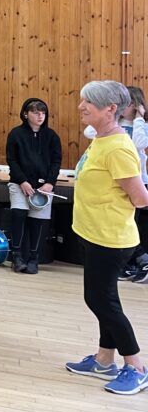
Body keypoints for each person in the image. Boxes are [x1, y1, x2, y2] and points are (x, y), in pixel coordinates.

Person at [65, 81, 148, 395]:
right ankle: (103, 360)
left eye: (89, 102)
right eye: (82, 99)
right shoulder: (101, 139)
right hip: (93, 233)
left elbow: (140, 198)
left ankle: (136, 366)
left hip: (111, 238)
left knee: (101, 300)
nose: (81, 106)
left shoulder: (118, 148)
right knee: (103, 298)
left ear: (110, 108)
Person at [85, 86, 148, 282]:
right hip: (115, 180)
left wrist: (138, 118)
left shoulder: (141, 125)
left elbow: (140, 142)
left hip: (138, 179)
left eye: (130, 104)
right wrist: (111, 117)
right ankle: (129, 265)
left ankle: (142, 262)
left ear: (136, 105)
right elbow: (89, 130)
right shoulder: (115, 125)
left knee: (134, 225)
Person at [5, 97, 63, 274]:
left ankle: (33, 258)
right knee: (18, 214)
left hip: (43, 187)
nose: (40, 116)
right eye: (36, 112)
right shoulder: (16, 134)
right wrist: (22, 180)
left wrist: (50, 183)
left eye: (43, 112)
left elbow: (56, 161)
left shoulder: (52, 136)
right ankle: (17, 256)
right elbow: (12, 160)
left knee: (37, 222)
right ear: (25, 114)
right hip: (20, 184)